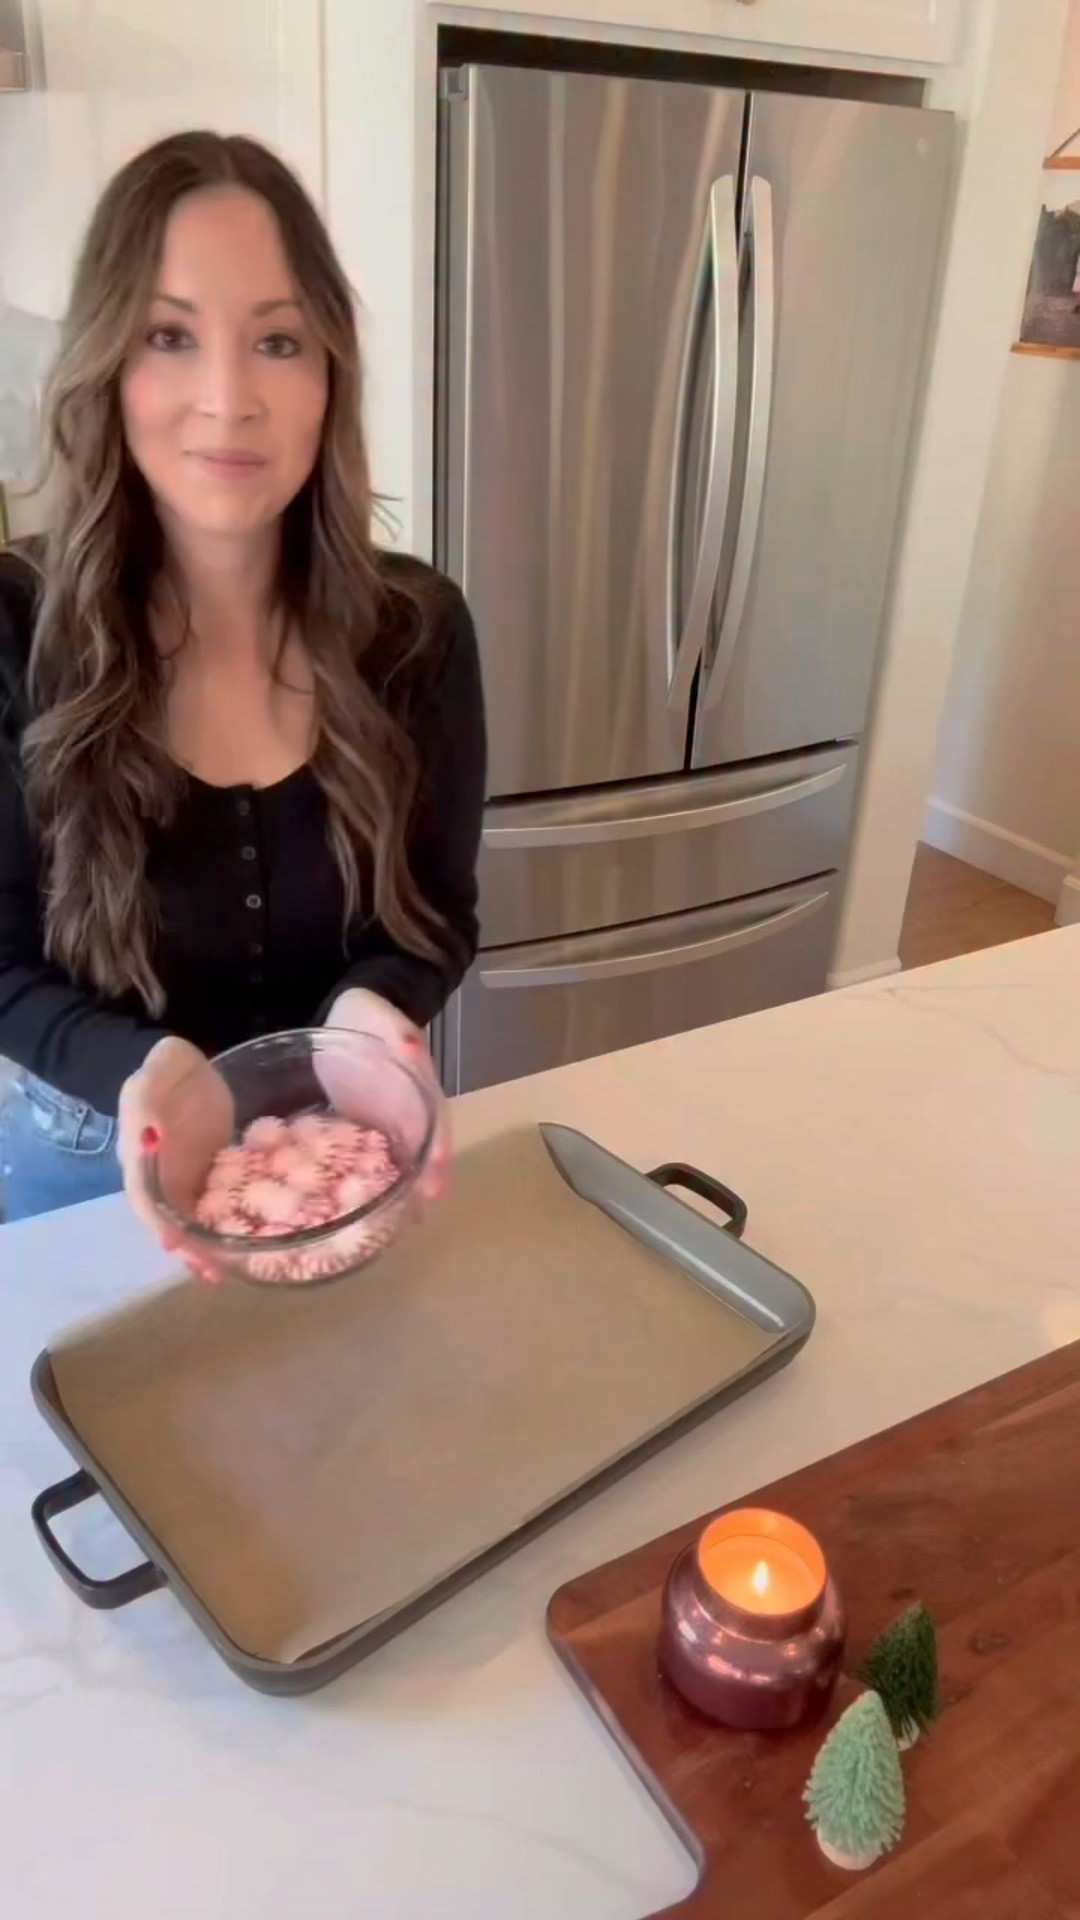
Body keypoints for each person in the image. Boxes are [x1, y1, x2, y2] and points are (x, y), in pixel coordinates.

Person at [0, 132, 486, 1229]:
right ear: (107, 368)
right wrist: (146, 1071)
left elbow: (438, 913)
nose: (227, 399)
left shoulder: (420, 632)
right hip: (81, 1182)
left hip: (339, 1154)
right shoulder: (11, 628)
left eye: (277, 340)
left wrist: (378, 1015)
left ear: (329, 376)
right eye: (169, 336)